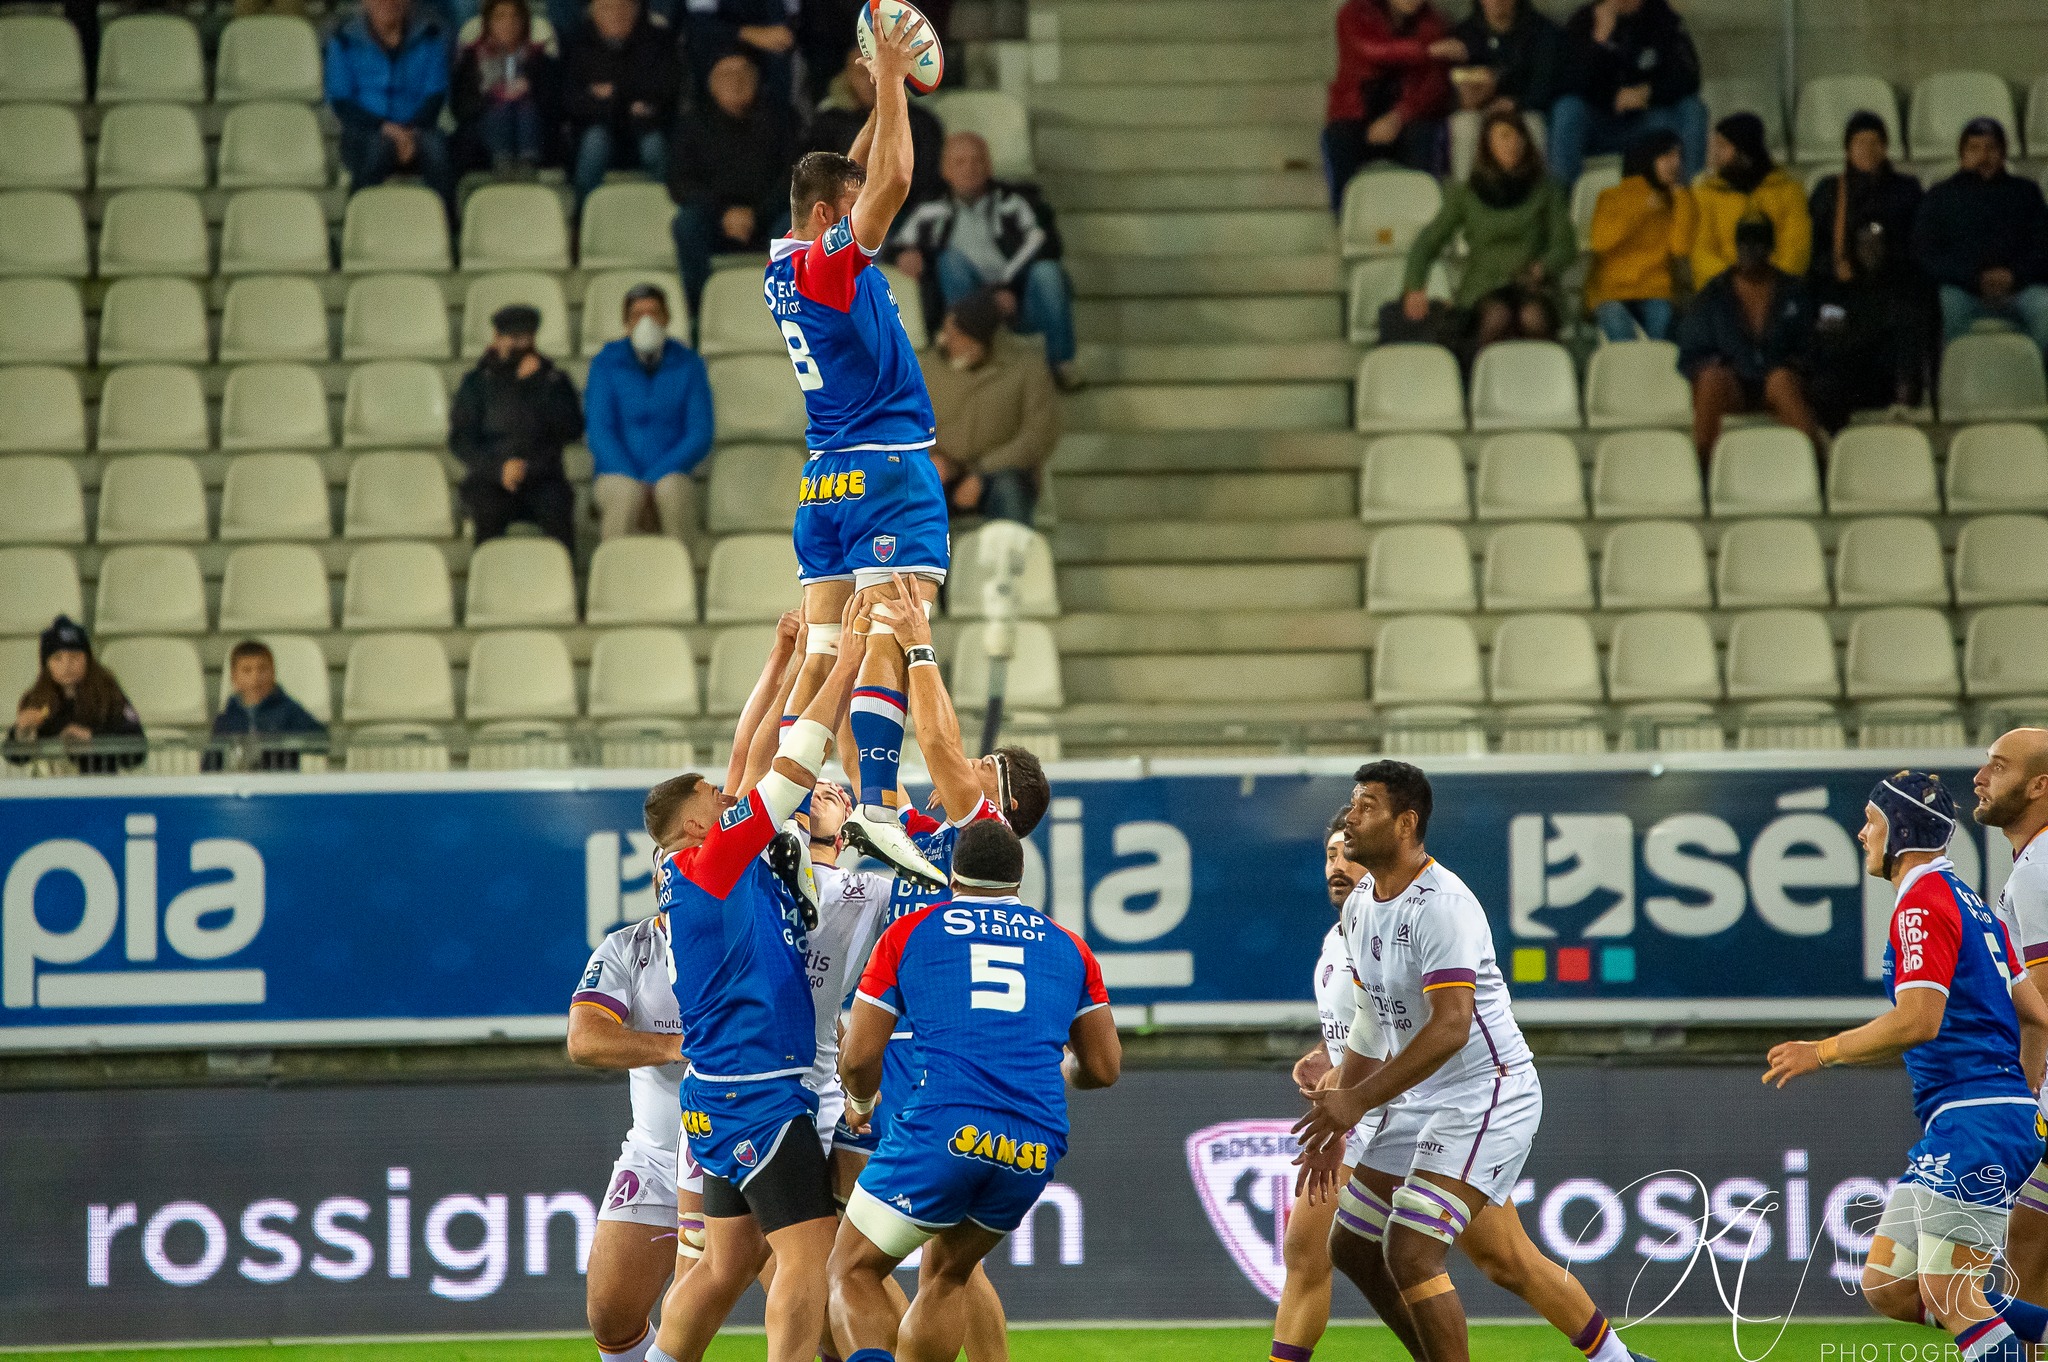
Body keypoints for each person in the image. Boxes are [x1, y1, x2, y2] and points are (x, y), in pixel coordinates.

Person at [1296, 762, 1659, 1362]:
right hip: (1418, 1099)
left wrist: (1356, 1100)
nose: (1351, 817)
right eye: (1351, 804)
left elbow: (1451, 1027)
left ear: (1406, 822)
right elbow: (1369, 1021)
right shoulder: (1362, 904)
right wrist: (1341, 1118)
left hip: (1485, 1092)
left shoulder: (1443, 904)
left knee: (1412, 1251)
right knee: (1354, 1248)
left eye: (1366, 806)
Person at [639, 602, 870, 1362]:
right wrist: (846, 659)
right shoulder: (718, 860)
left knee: (729, 1261)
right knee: (805, 1258)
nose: (727, 794)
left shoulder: (700, 866)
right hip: (760, 1089)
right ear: (700, 826)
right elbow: (792, 760)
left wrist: (792, 659)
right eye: (713, 797)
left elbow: (754, 750)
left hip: (716, 1093)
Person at [1764, 772, 2048, 1362]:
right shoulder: (1973, 902)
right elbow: (2037, 1017)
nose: (1862, 833)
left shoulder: (1922, 902)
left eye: (1871, 821)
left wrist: (1822, 1051)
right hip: (1978, 1119)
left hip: (1974, 1120)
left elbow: (1919, 1019)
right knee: (1889, 1287)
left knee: (1952, 1292)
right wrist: (2019, 1100)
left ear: (1899, 830)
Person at [767, 12, 953, 886]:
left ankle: (776, 806)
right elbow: (897, 176)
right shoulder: (831, 262)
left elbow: (856, 167)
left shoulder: (783, 265)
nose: (859, 212)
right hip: (884, 468)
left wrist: (892, 85)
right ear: (825, 217)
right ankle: (876, 808)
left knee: (821, 651)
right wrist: (885, 76)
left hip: (823, 480)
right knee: (891, 628)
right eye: (846, 210)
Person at [828, 817, 1121, 1362]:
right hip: (1033, 1142)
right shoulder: (1069, 946)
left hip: (945, 1125)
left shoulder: (911, 931)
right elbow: (1103, 1068)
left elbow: (861, 1056)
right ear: (1020, 877)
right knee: (948, 1273)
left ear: (952, 872)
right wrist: (1063, 1073)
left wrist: (862, 1105)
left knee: (851, 1267)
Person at [567, 867, 694, 1362]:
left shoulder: (756, 933)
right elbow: (585, 1039)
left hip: (746, 1150)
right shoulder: (629, 948)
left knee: (820, 1307)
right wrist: (675, 1046)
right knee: (611, 1313)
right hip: (658, 1159)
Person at [1269, 813, 1373, 1362]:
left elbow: (1409, 1036)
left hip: (1416, 1119)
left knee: (1503, 1258)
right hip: (1356, 1120)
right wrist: (1324, 1057)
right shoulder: (1334, 941)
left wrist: (1343, 1078)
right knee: (1305, 1253)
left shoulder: (1388, 936)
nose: (1337, 866)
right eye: (1330, 856)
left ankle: (1610, 1354)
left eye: (1349, 854)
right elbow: (1357, 1033)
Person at [892, 133, 1079, 390]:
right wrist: (903, 253)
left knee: (1048, 272)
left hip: (1017, 301)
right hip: (967, 302)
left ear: (989, 166)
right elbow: (891, 244)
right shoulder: (928, 209)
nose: (970, 168)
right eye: (960, 162)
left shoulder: (1015, 202)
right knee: (950, 261)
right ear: (945, 170)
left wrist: (1009, 290)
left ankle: (1060, 365)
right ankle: (967, 347)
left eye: (977, 161)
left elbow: (1046, 246)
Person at [1398, 109, 1574, 356]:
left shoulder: (1546, 190)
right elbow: (1429, 240)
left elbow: (1565, 245)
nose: (1512, 144)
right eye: (1504, 136)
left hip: (1533, 286)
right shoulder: (1467, 193)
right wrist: (1415, 284)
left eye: (1518, 136)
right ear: (1487, 144)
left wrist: (1541, 268)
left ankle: (1545, 384)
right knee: (1495, 317)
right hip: (1483, 289)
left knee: (1532, 317)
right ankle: (1479, 385)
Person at [1973, 730, 2048, 1306]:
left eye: (1998, 767)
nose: (1980, 777)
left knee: (2027, 1243)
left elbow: (2042, 1007)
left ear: (2039, 785)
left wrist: (2022, 1094)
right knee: (2030, 1237)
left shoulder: (2039, 869)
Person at [1805, 111, 1929, 427]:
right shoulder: (1829, 191)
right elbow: (1813, 252)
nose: (1867, 150)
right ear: (1847, 150)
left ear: (1886, 147)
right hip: (1840, 291)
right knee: (1827, 326)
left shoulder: (1906, 189)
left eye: (1874, 142)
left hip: (1891, 288)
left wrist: (1883, 259)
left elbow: (1919, 246)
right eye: (1859, 143)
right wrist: (1837, 267)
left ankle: (1903, 396)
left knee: (1909, 312)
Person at [1677, 215, 1822, 463]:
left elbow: (1814, 343)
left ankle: (1816, 462)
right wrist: (1718, 363)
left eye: (1757, 244)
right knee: (1711, 378)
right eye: (1743, 244)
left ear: (1770, 249)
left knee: (1781, 379)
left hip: (1780, 381)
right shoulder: (1714, 294)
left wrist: (1794, 365)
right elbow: (1692, 350)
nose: (1750, 251)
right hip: (1734, 385)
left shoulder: (1795, 291)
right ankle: (1702, 465)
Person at [666, 50, 795, 318]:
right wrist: (724, 213)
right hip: (715, 221)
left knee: (795, 227)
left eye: (743, 74)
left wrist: (756, 214)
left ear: (757, 80)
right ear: (711, 82)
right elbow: (680, 182)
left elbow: (794, 179)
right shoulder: (692, 124)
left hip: (767, 220)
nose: (736, 82)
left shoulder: (782, 120)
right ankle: (699, 312)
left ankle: (790, 310)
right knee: (686, 224)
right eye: (726, 75)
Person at [585, 283, 715, 550]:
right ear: (626, 323)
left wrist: (653, 478)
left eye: (654, 313)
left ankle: (683, 576)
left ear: (666, 318)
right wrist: (636, 481)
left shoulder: (689, 364)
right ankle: (613, 578)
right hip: (616, 473)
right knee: (624, 493)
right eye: (637, 315)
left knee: (673, 491)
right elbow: (600, 432)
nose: (646, 321)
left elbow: (699, 432)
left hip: (671, 473)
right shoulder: (605, 364)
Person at [450, 304, 586, 555]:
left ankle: (564, 584)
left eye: (525, 338)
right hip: (491, 477)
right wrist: (499, 469)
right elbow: (461, 440)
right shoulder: (477, 382)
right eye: (512, 338)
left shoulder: (553, 380)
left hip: (543, 477)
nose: (519, 345)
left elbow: (572, 429)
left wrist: (537, 387)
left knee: (558, 516)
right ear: (497, 338)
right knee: (488, 516)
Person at [919, 290, 1062, 525]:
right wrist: (932, 458)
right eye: (946, 331)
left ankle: (1012, 560)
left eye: (955, 336)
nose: (946, 340)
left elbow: (1038, 436)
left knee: (1009, 491)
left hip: (1003, 471)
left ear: (978, 341)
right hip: (944, 466)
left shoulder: (1027, 367)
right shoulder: (930, 367)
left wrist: (981, 473)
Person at [1915, 118, 2048, 357]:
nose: (1983, 155)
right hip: (1964, 290)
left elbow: (2043, 247)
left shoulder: (2026, 193)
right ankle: (1959, 383)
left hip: (2019, 288)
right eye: (1974, 148)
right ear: (1962, 154)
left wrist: (2013, 275)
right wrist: (1973, 277)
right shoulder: (1940, 196)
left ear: (2003, 152)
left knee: (2044, 309)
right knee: (1949, 303)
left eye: (1991, 148)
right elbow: (1927, 254)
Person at [1547, 0, 1705, 187]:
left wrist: (1648, 92)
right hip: (1600, 124)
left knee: (1692, 109)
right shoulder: (1584, 20)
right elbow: (1565, 82)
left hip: (1647, 122)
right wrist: (1598, 42)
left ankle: (1692, 195)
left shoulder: (1663, 18)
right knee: (1567, 108)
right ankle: (1563, 202)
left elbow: (1688, 76)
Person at [324, 0, 456, 214]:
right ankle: (357, 221)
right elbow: (341, 101)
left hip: (418, 128)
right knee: (377, 149)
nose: (388, 3)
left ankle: (449, 230)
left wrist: (410, 132)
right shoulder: (343, 39)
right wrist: (386, 128)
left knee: (437, 150)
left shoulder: (431, 37)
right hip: (365, 131)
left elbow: (435, 94)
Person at [1322, 0, 1453, 206]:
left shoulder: (1433, 22)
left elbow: (1434, 84)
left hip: (1406, 115)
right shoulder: (1355, 13)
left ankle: (1424, 217)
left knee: (1427, 133)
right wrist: (1426, 50)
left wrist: (1399, 116)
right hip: (1356, 112)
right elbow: (1371, 49)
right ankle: (1346, 222)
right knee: (1338, 139)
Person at [800, 45, 947, 218]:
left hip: (902, 210)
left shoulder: (921, 122)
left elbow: (929, 179)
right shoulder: (830, 121)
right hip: (840, 209)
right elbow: (813, 173)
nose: (871, 80)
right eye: (862, 73)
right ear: (847, 78)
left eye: (879, 72)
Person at [562, 0, 680, 212]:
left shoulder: (658, 41)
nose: (616, 14)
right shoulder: (579, 43)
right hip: (597, 126)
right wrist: (627, 101)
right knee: (594, 144)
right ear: (593, 14)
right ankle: (585, 218)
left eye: (624, 7)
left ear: (637, 11)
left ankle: (667, 213)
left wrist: (607, 95)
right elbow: (572, 100)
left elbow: (664, 92)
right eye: (607, 8)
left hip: (646, 126)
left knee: (654, 147)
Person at [1584, 128, 1694, 341]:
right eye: (1667, 156)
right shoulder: (1611, 197)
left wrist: (1682, 198)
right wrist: (1643, 208)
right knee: (1620, 331)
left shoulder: (1678, 200)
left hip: (1655, 289)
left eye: (1679, 156)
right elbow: (1600, 241)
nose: (1676, 163)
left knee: (1664, 335)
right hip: (1611, 291)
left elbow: (1680, 248)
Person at [5, 616, 144, 775]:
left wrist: (93, 739)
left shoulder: (109, 694)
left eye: (75, 657)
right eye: (57, 658)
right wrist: (21, 733)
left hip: (100, 789)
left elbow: (137, 748)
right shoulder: (36, 699)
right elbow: (14, 757)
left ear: (87, 659)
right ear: (47, 664)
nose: (67, 665)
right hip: (52, 792)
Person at [1690, 112, 1810, 288]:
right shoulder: (1704, 192)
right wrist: (1737, 283)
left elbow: (1797, 248)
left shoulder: (1788, 189)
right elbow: (1701, 252)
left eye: (1723, 146)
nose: (1715, 153)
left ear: (1743, 150)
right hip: (1722, 293)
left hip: (1776, 291)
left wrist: (1768, 282)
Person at [452, 0, 553, 175]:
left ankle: (526, 166)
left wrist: (530, 89)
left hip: (532, 128)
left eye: (515, 16)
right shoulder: (471, 57)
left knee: (525, 108)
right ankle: (502, 166)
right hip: (483, 131)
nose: (509, 23)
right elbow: (461, 108)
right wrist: (493, 96)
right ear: (488, 23)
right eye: (500, 17)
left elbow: (554, 106)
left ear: (524, 22)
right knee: (502, 108)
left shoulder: (540, 59)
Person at [203, 640, 327, 773]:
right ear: (234, 678)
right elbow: (210, 766)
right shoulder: (226, 720)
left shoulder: (289, 711)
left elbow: (320, 741)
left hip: (279, 786)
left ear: (273, 673)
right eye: (247, 670)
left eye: (262, 669)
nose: (255, 678)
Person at [1434, 0, 1564, 116]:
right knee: (1464, 124)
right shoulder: (1464, 34)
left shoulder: (1541, 31)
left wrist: (1516, 104)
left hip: (1524, 110)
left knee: (1532, 123)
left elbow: (1544, 83)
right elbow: (1449, 89)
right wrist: (1462, 100)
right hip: (1476, 111)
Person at [680, 0, 795, 108]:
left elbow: (792, 17)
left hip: (769, 56)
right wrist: (751, 34)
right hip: (722, 47)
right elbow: (700, 23)